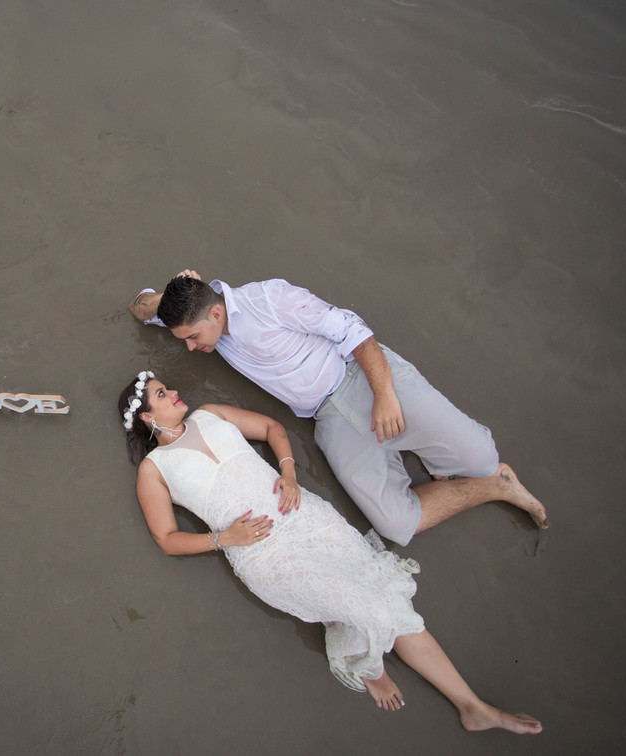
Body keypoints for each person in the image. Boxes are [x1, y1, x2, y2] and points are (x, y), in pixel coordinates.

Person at [118, 371, 542, 733]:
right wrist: (224, 539)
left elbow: (272, 429)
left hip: (306, 516)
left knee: (389, 603)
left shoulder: (209, 413)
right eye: (161, 394)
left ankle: (473, 706)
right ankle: (369, 668)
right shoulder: (155, 469)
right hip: (264, 554)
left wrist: (288, 474)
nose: (173, 393)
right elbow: (166, 538)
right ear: (147, 417)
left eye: (167, 387)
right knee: (372, 610)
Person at [130, 273, 547, 546]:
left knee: (482, 457)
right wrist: (169, 296)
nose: (190, 347)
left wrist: (384, 393)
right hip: (328, 419)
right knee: (396, 527)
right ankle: (496, 485)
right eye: (183, 338)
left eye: (193, 336)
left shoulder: (270, 298)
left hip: (361, 379)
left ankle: (448, 459)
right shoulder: (200, 317)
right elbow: (139, 306)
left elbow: (351, 328)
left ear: (217, 312)